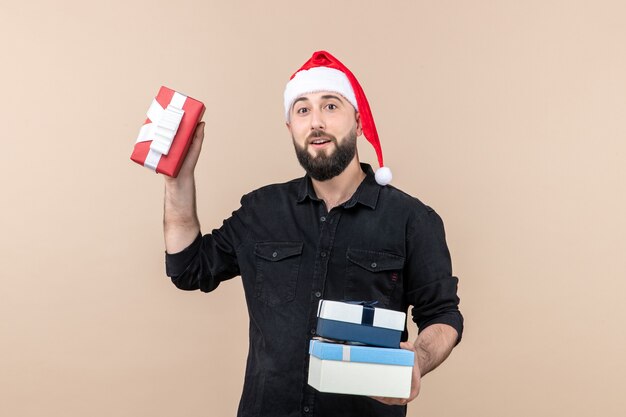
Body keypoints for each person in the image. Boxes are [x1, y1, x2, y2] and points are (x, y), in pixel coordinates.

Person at [163, 51, 463, 417]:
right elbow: (188, 269)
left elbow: (444, 316)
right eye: (302, 110)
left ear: (358, 120)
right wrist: (178, 179)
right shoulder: (261, 210)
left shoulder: (412, 219)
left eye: (330, 106)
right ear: (291, 127)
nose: (316, 121)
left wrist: (418, 358)